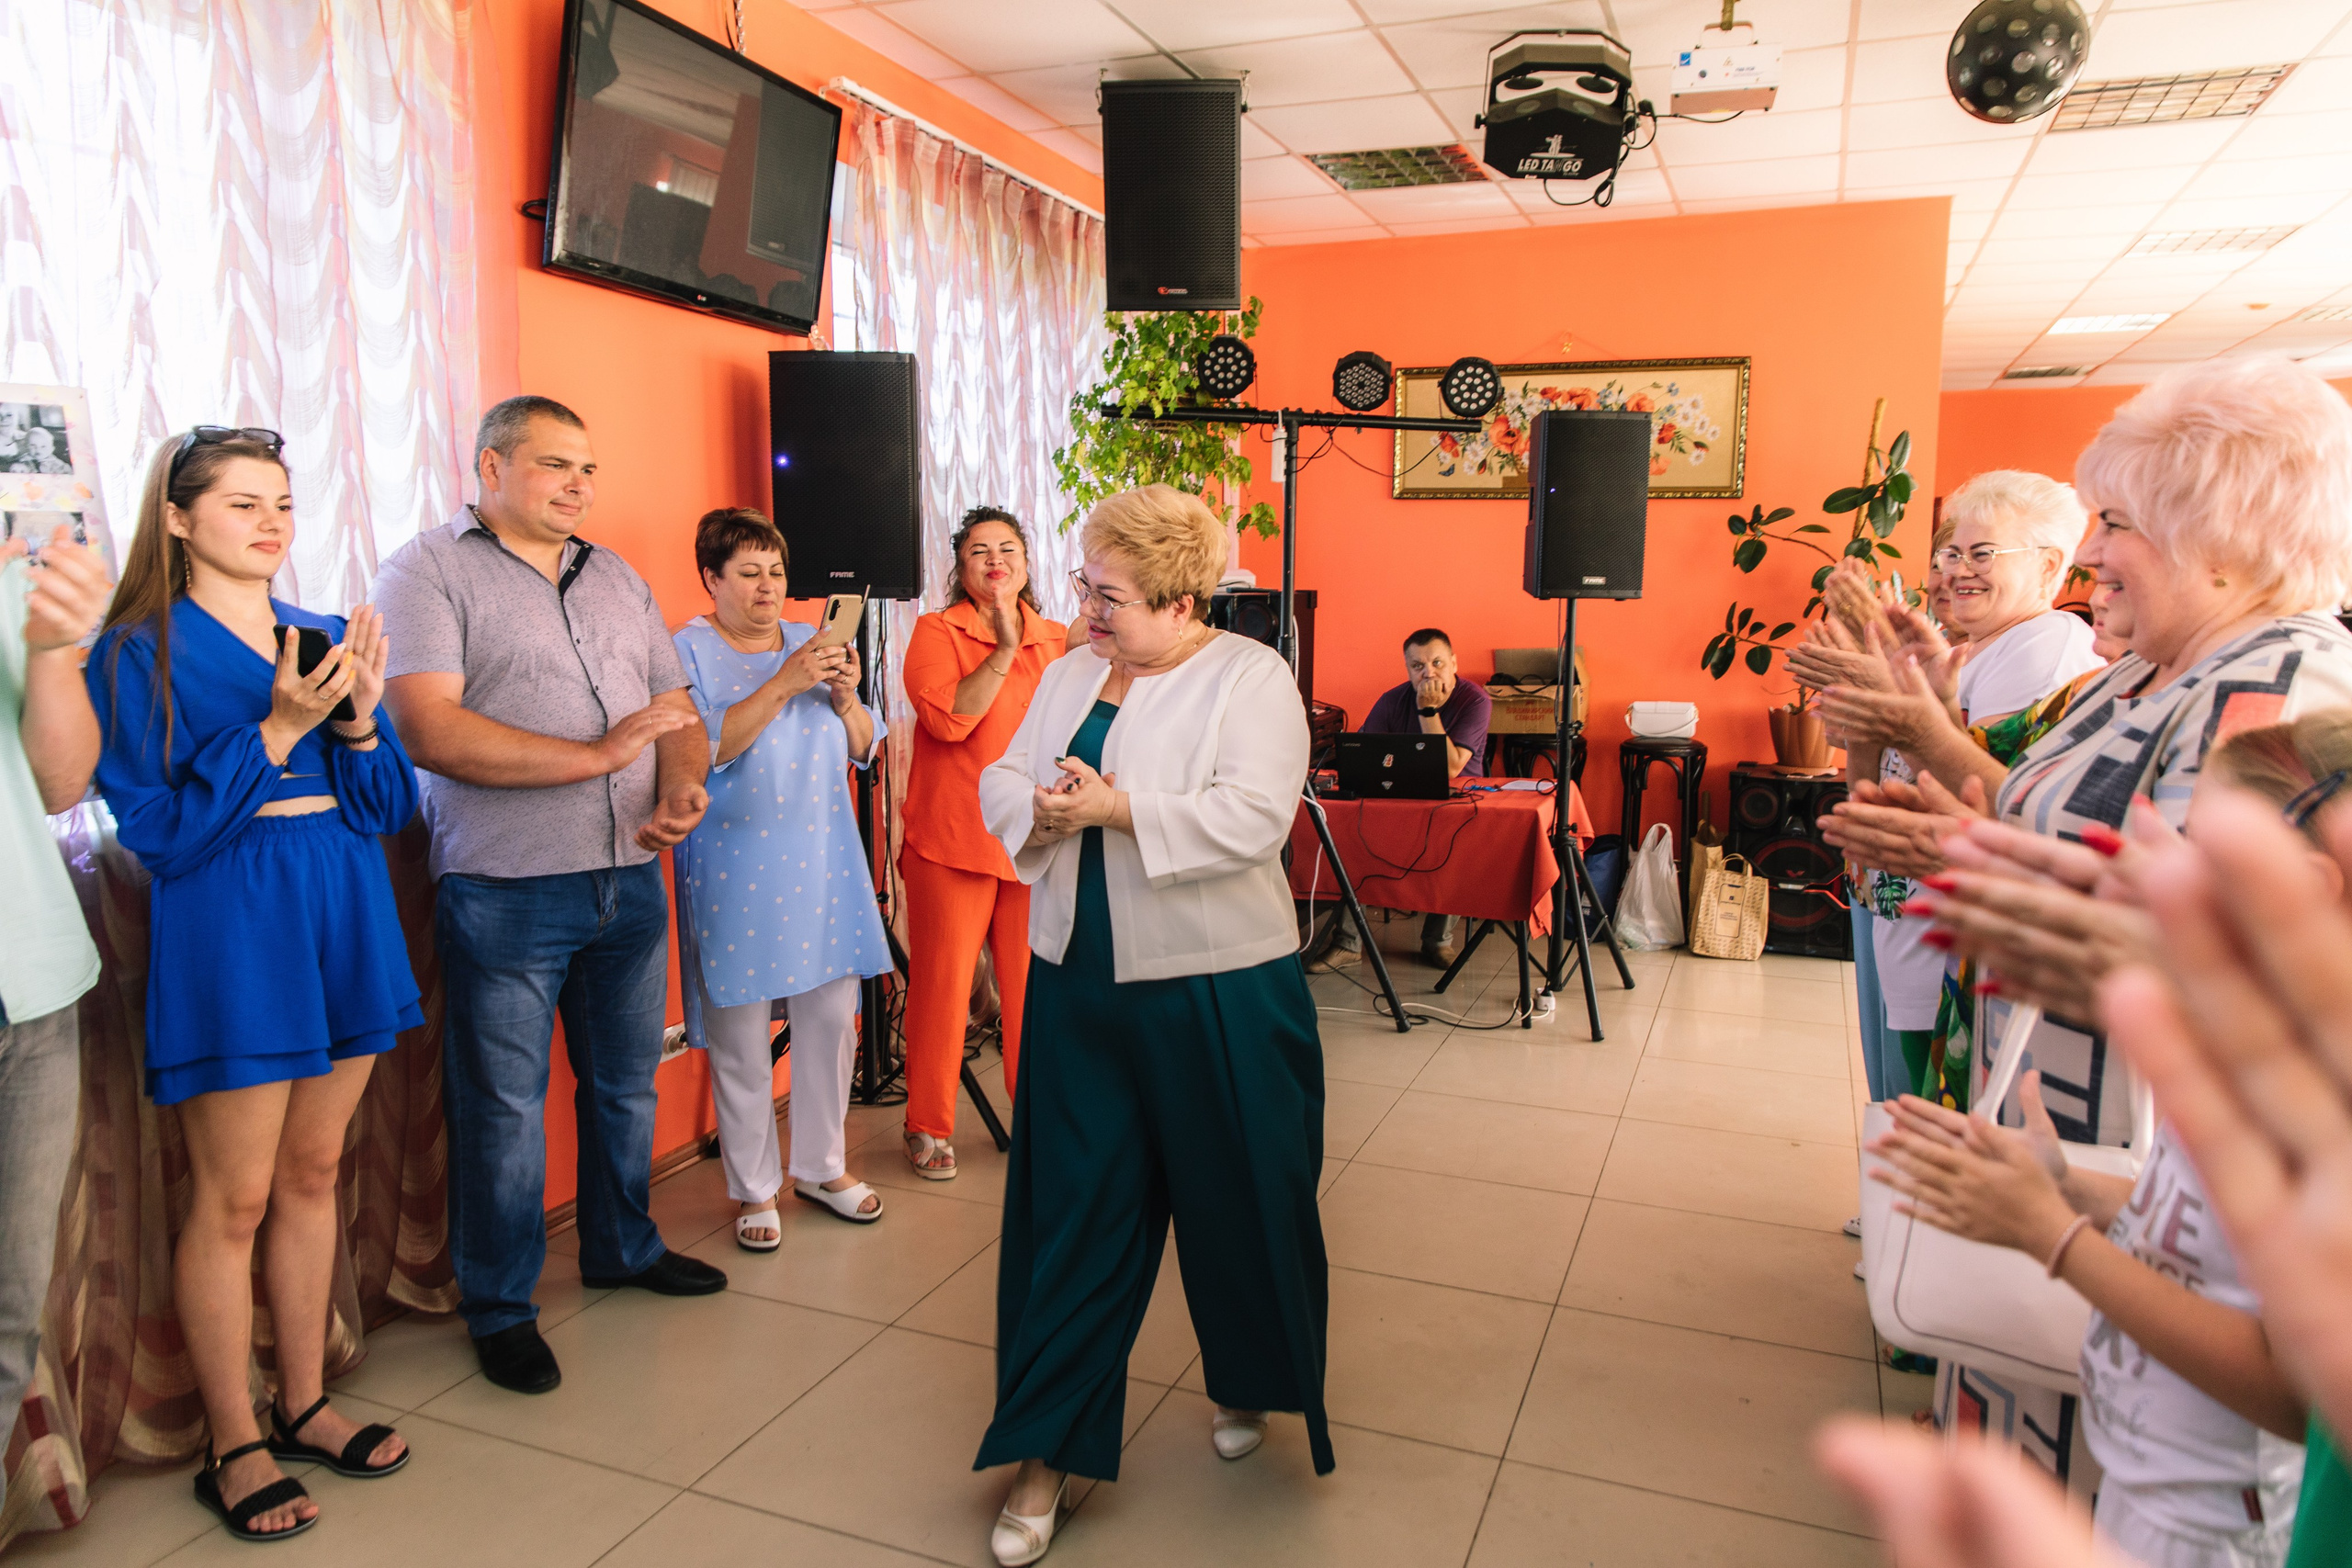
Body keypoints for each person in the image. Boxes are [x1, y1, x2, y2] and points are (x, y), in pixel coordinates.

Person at [1821, 356, 2352, 1483]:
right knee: (2010, 1378)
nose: (2094, 553)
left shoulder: (2276, 689)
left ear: (2219, 531)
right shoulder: (2143, 673)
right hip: (2035, 1080)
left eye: (2117, 523)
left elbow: (2237, 962)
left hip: (2133, 1128)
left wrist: (1968, 845)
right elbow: (2030, 804)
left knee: (2101, 1444)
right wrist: (1948, 792)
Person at [975, 485, 1330, 1565]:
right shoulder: (1073, 670)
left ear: (1182, 603)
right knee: (1072, 1216)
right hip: (1080, 980)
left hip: (1219, 983)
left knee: (1243, 1201)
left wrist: (1117, 808)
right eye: (1085, 584)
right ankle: (1043, 1454)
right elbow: (1001, 772)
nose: (1086, 609)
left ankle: (1252, 1380)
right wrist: (1034, 807)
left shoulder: (1250, 677)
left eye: (1110, 595)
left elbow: (1255, 815)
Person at [87, 430, 420, 1540]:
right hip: (233, 918)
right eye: (242, 503)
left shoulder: (322, 631)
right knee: (232, 1197)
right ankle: (233, 1439)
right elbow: (162, 833)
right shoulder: (136, 653)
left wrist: (362, 717)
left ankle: (306, 1400)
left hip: (342, 900)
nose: (272, 522)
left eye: (281, 502)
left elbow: (386, 811)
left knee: (315, 1168)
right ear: (178, 520)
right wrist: (280, 728)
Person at [376, 396, 723, 1399]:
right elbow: (430, 732)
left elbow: (676, 711)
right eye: (554, 465)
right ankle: (501, 1305)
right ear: (491, 466)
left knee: (624, 1087)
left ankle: (623, 1246)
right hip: (506, 887)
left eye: (588, 469)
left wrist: (677, 787)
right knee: (503, 1108)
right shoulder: (426, 571)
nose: (577, 485)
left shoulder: (611, 573)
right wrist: (598, 756)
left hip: (630, 875)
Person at [1818, 473, 2107, 1102]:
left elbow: (1980, 795)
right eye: (1950, 554)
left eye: (1982, 555)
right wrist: (1868, 706)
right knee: (1894, 1102)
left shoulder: (2045, 648)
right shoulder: (1966, 650)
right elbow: (1879, 785)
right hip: (1900, 908)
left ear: (2050, 565)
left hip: (1953, 932)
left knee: (1922, 1113)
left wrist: (1888, 704)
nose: (1957, 572)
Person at [671, 508, 893, 1245]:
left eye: (776, 572)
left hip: (826, 860)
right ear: (711, 578)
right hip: (732, 866)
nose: (768, 587)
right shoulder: (685, 653)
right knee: (739, 1031)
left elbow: (865, 747)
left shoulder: (815, 641)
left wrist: (845, 698)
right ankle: (754, 1188)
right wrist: (783, 681)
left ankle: (823, 1166)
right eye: (748, 573)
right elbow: (703, 748)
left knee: (831, 1021)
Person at [898, 506, 1064, 1180]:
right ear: (960, 569)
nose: (995, 560)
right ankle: (928, 1124)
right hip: (953, 839)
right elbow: (948, 721)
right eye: (979, 551)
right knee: (943, 986)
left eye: (1007, 549)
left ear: (1027, 562)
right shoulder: (937, 632)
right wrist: (999, 648)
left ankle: (1038, 1118)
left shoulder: (1058, 638)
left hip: (1036, 836)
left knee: (1035, 990)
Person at [0, 534, 108, 1521]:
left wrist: (54, 647)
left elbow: (59, 785)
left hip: (26, 983)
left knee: (7, 1314)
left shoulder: (14, 565)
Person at [1310, 627, 1490, 971]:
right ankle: (1347, 943)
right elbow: (1361, 752)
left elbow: (1451, 767)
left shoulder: (1475, 700)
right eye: (1417, 666)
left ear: (1454, 663)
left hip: (1458, 797)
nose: (1429, 673)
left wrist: (1428, 712)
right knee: (1356, 834)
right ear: (1407, 669)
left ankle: (1437, 942)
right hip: (1398, 792)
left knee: (1453, 838)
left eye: (1437, 663)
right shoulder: (1392, 699)